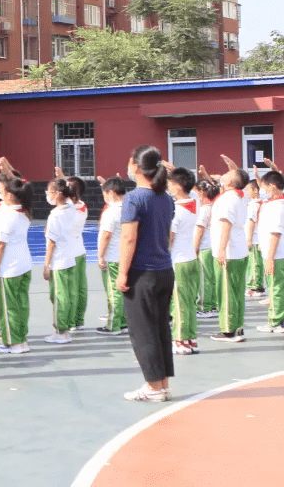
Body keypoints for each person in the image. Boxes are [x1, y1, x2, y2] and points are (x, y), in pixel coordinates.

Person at [116, 145, 176, 403]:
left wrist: (122, 273)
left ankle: (153, 387)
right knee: (161, 328)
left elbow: (129, 239)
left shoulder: (134, 198)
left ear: (137, 167)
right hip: (164, 269)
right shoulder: (167, 197)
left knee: (143, 331)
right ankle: (161, 383)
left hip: (142, 273)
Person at [0, 175, 33, 354]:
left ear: (9, 194)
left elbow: (0, 244)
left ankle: (13, 342)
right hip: (23, 264)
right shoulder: (24, 211)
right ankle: (21, 339)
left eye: (2, 188)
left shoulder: (8, 215)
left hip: (9, 267)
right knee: (21, 304)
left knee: (9, 307)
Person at [209, 159, 250, 343]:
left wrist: (221, 250)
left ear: (230, 182)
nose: (224, 174)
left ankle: (228, 330)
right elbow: (238, 175)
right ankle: (238, 327)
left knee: (225, 291)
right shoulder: (241, 195)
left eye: (227, 174)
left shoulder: (228, 199)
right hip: (239, 251)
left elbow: (226, 224)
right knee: (237, 291)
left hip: (230, 252)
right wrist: (232, 167)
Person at [167, 167, 200, 356]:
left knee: (179, 303)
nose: (169, 187)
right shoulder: (194, 202)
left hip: (178, 261)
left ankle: (179, 340)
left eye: (171, 184)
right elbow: (193, 190)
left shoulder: (176, 211)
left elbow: (169, 240)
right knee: (189, 302)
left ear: (179, 186)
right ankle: (190, 339)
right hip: (192, 259)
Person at [43, 178, 78, 344]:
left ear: (57, 193)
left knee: (58, 296)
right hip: (70, 257)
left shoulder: (55, 215)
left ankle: (61, 330)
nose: (48, 195)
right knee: (68, 295)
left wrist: (46, 264)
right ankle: (67, 326)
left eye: (49, 191)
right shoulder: (71, 208)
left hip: (59, 261)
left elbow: (51, 242)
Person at [56, 170, 90, 331]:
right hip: (80, 249)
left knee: (71, 289)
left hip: (69, 252)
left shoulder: (67, 209)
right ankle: (78, 319)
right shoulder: (82, 205)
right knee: (81, 287)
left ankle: (69, 321)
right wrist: (63, 177)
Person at [96, 176, 128, 335]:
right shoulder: (130, 207)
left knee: (113, 291)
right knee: (122, 290)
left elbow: (106, 235)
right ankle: (122, 321)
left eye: (104, 193)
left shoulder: (111, 211)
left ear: (111, 192)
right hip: (125, 255)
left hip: (113, 256)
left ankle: (114, 324)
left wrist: (100, 256)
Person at [255, 170, 284, 333]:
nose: (263, 190)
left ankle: (276, 321)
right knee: (278, 287)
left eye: (265, 186)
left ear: (272, 186)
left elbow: (275, 233)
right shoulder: (273, 203)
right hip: (275, 253)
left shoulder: (278, 207)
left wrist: (270, 258)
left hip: (277, 254)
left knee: (276, 288)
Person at [193, 179, 221, 317]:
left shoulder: (205, 209)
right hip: (213, 246)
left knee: (204, 279)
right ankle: (213, 304)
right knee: (212, 277)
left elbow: (199, 230)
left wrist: (194, 248)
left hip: (205, 247)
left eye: (197, 191)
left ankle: (205, 307)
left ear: (202, 191)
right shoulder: (215, 206)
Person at [245, 176, 266, 298]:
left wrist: (249, 238)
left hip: (254, 239)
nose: (247, 192)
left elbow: (252, 221)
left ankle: (255, 286)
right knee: (254, 263)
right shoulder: (256, 203)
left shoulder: (255, 204)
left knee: (254, 263)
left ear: (255, 191)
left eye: (249, 190)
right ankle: (254, 285)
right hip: (254, 238)